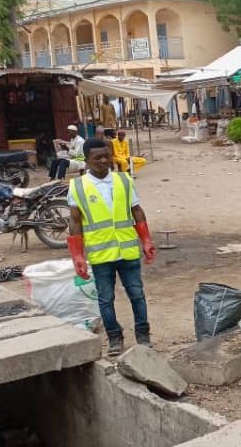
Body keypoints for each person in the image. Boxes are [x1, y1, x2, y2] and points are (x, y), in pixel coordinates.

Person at [66, 138, 157, 356]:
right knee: (105, 299)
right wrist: (77, 256)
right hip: (101, 254)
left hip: (127, 251)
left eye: (106, 156)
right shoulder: (77, 186)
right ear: (87, 160)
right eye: (97, 158)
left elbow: (136, 211)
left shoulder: (124, 180)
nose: (104, 161)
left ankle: (143, 335)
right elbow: (75, 222)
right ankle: (115, 338)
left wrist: (146, 240)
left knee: (137, 294)